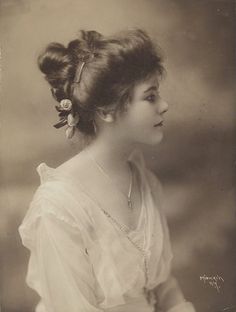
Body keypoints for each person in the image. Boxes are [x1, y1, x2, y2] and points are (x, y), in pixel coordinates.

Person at [19, 29, 196, 312]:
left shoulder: (143, 180)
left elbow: (161, 285)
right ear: (106, 110)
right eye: (150, 97)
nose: (164, 106)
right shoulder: (57, 205)